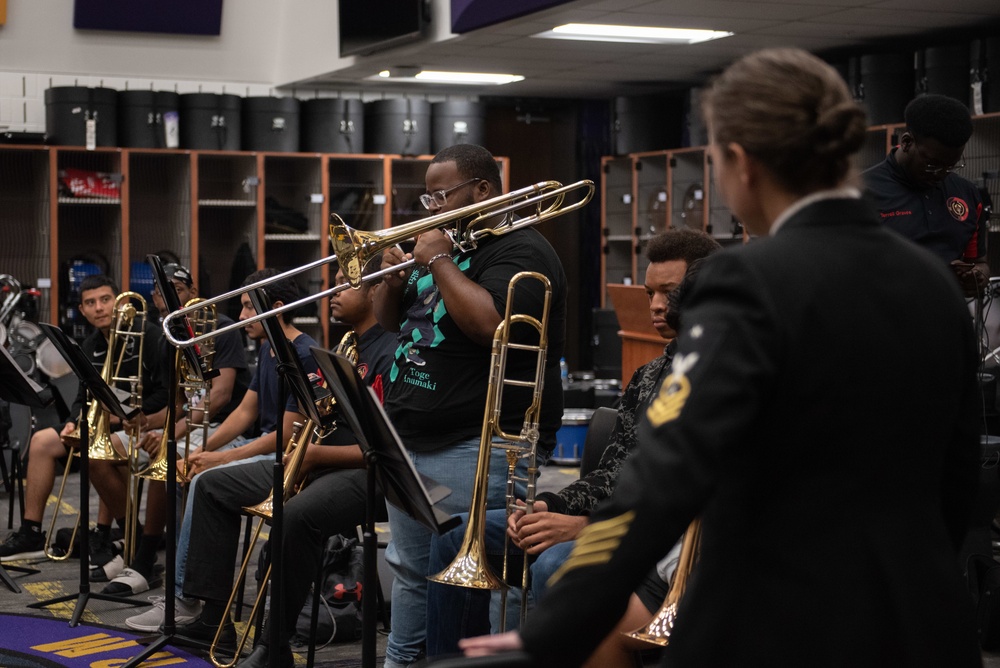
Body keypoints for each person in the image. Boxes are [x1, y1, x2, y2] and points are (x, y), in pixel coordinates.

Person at [460, 48, 982, 667]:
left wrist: (560, 622)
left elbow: (664, 473)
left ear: (739, 161)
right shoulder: (933, 283)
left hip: (780, 621)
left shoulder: (744, 282)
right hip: (923, 621)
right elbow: (959, 475)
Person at [424, 229, 720, 659]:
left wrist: (584, 527)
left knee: (552, 564)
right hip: (613, 518)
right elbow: (612, 472)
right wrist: (551, 506)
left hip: (653, 539)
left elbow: (687, 500)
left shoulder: (717, 375)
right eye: (650, 292)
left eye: (669, 293)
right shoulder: (650, 375)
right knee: (455, 536)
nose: (656, 306)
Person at [126, 264, 395, 666]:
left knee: (274, 508)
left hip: (334, 464)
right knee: (209, 484)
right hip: (311, 458)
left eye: (346, 285)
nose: (333, 292)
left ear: (375, 293)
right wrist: (204, 449)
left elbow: (309, 433)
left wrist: (290, 456)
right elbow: (255, 413)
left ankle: (270, 641)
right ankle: (209, 613)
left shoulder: (345, 351)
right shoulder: (342, 347)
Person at [374, 143, 568, 668]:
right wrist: (392, 280)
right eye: (428, 196)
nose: (432, 207)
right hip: (409, 438)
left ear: (482, 190)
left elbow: (491, 327)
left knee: (473, 578)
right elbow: (392, 322)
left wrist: (435, 259)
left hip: (477, 445)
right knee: (412, 571)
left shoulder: (522, 252)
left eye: (442, 195)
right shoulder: (446, 247)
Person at [120, 268, 314, 632]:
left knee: (207, 479)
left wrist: (219, 458)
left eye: (246, 308)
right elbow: (244, 412)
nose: (240, 318)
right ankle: (194, 594)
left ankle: (185, 599)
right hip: (260, 445)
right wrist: (202, 448)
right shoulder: (270, 348)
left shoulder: (303, 353)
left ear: (275, 307)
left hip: (286, 458)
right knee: (185, 468)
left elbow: (284, 436)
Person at [95, 262, 251, 595]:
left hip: (222, 429)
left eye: (176, 289)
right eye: (160, 291)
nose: (166, 297)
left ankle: (146, 556)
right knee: (100, 454)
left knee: (164, 459)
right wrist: (148, 423)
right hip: (184, 424)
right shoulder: (171, 334)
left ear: (192, 292)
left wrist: (168, 433)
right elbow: (179, 402)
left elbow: (219, 397)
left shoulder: (221, 327)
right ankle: (135, 542)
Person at [0, 274, 168, 569]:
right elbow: (83, 394)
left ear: (119, 303)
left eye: (105, 300)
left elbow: (166, 394)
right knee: (41, 441)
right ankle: (32, 533)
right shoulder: (89, 345)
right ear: (82, 310)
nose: (99, 308)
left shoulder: (148, 336)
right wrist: (72, 421)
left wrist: (122, 414)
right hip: (100, 423)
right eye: (91, 303)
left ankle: (123, 536)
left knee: (101, 452)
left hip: (140, 426)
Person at [863, 93, 989, 296]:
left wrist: (976, 276)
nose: (941, 175)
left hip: (946, 320)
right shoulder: (861, 193)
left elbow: (979, 262)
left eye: (951, 166)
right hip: (880, 321)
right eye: (932, 165)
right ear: (906, 142)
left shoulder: (968, 194)